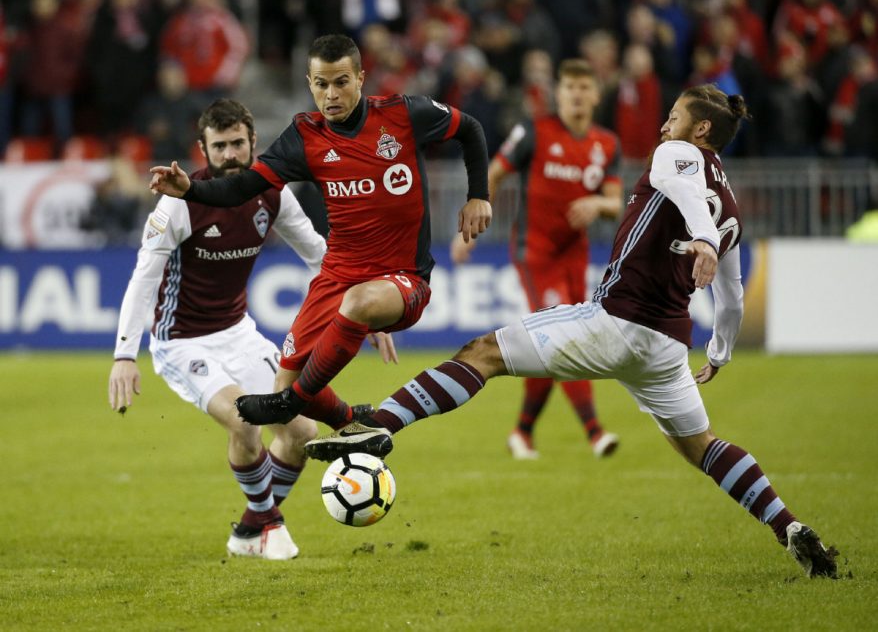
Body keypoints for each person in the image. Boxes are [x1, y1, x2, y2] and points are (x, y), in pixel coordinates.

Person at [305, 85, 840, 579]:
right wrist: (720, 352)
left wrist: (699, 239)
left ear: (700, 130)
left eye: (673, 116)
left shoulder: (680, 155)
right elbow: (733, 295)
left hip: (617, 320)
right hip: (668, 346)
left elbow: (679, 185)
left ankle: (378, 424)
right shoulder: (733, 208)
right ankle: (787, 525)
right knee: (702, 447)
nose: (662, 126)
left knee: (482, 352)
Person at [148, 34, 492, 429]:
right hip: (336, 278)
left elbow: (470, 128)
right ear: (310, 84)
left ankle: (291, 401)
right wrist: (191, 189)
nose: (331, 94)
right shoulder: (304, 138)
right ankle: (354, 427)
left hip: (404, 278)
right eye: (321, 84)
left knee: (354, 309)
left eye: (341, 82)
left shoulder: (403, 114)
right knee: (285, 376)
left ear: (361, 78)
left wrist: (478, 195)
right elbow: (242, 186)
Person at [109, 98, 379, 560]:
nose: (231, 154)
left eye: (238, 143)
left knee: (301, 434)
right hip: (182, 342)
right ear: (203, 149)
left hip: (239, 331)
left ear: (253, 142)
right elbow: (144, 278)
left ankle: (249, 530)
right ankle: (271, 525)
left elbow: (320, 255)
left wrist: (369, 307)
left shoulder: (271, 194)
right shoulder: (178, 205)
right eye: (220, 146)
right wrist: (123, 356)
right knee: (244, 419)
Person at [451, 59, 622, 460]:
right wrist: (468, 229)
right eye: (570, 87)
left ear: (596, 95)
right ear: (558, 94)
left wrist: (597, 203)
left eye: (585, 87)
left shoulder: (606, 144)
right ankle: (595, 432)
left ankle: (522, 432)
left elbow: (615, 203)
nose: (578, 94)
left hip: (574, 255)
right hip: (535, 251)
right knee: (567, 338)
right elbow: (493, 173)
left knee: (552, 345)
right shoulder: (534, 131)